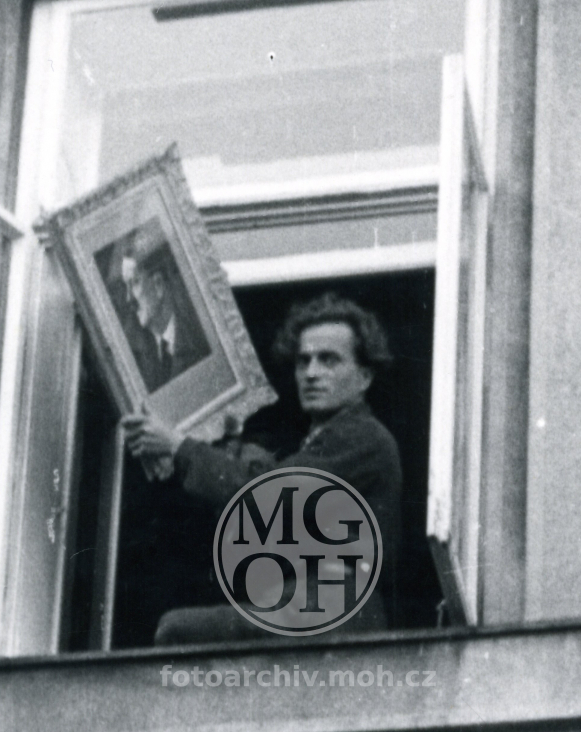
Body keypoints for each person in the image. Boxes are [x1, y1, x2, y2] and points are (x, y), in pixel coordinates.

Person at [120, 293, 402, 646]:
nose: (311, 373)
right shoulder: (327, 440)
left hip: (334, 612)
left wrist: (178, 447)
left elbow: (265, 497)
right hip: (314, 607)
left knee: (175, 630)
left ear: (364, 376)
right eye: (303, 361)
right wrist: (222, 450)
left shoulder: (361, 437)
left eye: (328, 360)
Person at [113, 240, 210, 393]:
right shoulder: (140, 360)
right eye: (126, 287)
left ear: (158, 285)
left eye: (135, 283)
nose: (128, 298)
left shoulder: (201, 338)